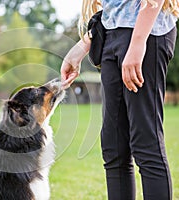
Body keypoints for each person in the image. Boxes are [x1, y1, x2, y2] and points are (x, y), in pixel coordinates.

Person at [60, 0, 178, 199]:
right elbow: (115, 8)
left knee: (146, 143)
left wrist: (138, 42)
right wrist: (82, 47)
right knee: (114, 147)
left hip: (147, 32)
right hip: (112, 36)